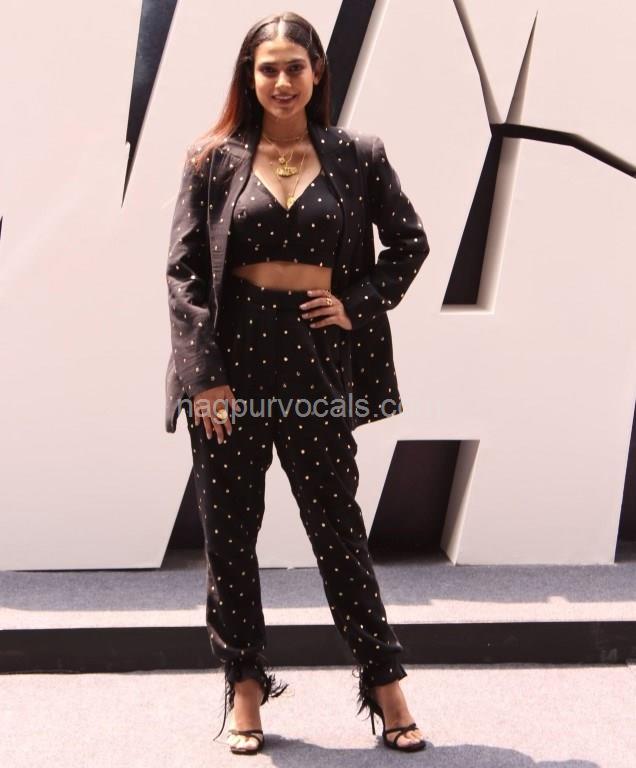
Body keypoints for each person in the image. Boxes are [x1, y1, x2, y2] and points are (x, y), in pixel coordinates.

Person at [165, 10, 430, 756]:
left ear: (317, 73)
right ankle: (245, 687)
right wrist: (205, 381)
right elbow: (184, 273)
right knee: (230, 537)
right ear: (249, 78)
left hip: (315, 364)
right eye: (268, 69)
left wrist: (356, 303)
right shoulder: (211, 159)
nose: (281, 81)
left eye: (294, 67)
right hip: (231, 372)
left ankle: (386, 683)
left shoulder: (357, 155)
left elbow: (409, 244)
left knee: (337, 530)